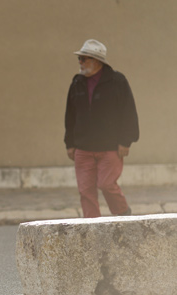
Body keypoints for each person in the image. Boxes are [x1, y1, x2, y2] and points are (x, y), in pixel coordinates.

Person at [64, 39, 139, 218]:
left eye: (84, 58)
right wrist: (69, 143)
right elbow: (70, 114)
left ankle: (122, 215)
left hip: (110, 146)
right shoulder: (77, 82)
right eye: (79, 59)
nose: (80, 63)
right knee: (85, 191)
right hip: (83, 147)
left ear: (97, 61)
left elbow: (128, 112)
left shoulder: (117, 81)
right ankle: (92, 227)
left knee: (106, 184)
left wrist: (126, 141)